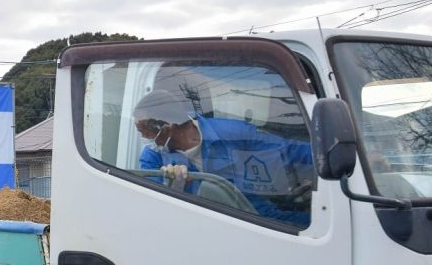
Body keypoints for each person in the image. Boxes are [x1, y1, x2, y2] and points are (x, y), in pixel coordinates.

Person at [133, 88, 313, 226]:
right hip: (195, 225)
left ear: (166, 126)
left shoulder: (232, 133)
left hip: (254, 216)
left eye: (145, 132)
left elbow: (288, 150)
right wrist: (173, 191)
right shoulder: (152, 157)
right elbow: (155, 210)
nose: (143, 138)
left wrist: (329, 158)